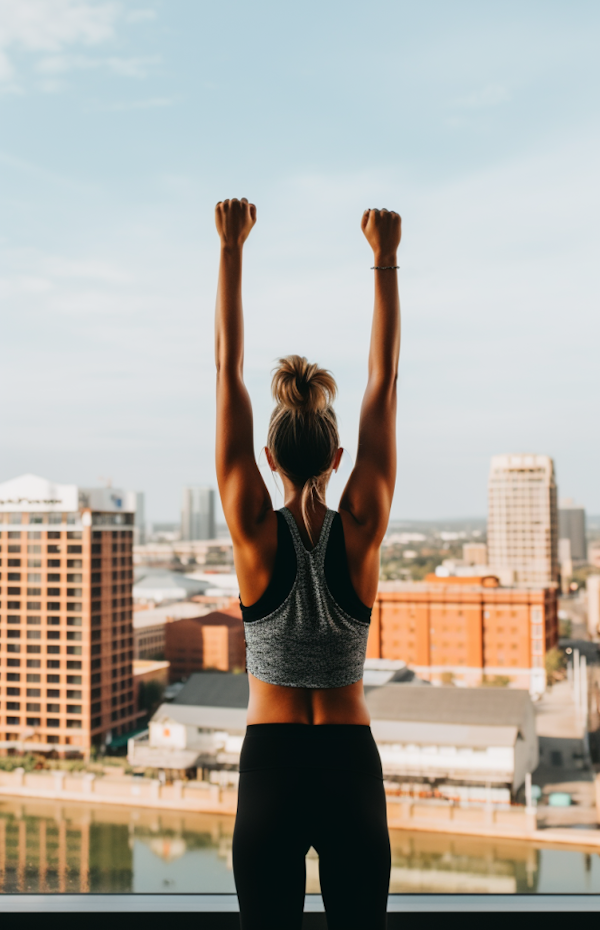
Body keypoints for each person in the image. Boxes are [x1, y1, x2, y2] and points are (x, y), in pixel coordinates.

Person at [214, 198, 401, 930]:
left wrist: (232, 248)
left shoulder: (253, 533)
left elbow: (226, 368)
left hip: (270, 766)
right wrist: (384, 258)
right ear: (336, 456)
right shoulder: (363, 527)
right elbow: (382, 382)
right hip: (351, 766)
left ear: (268, 458)